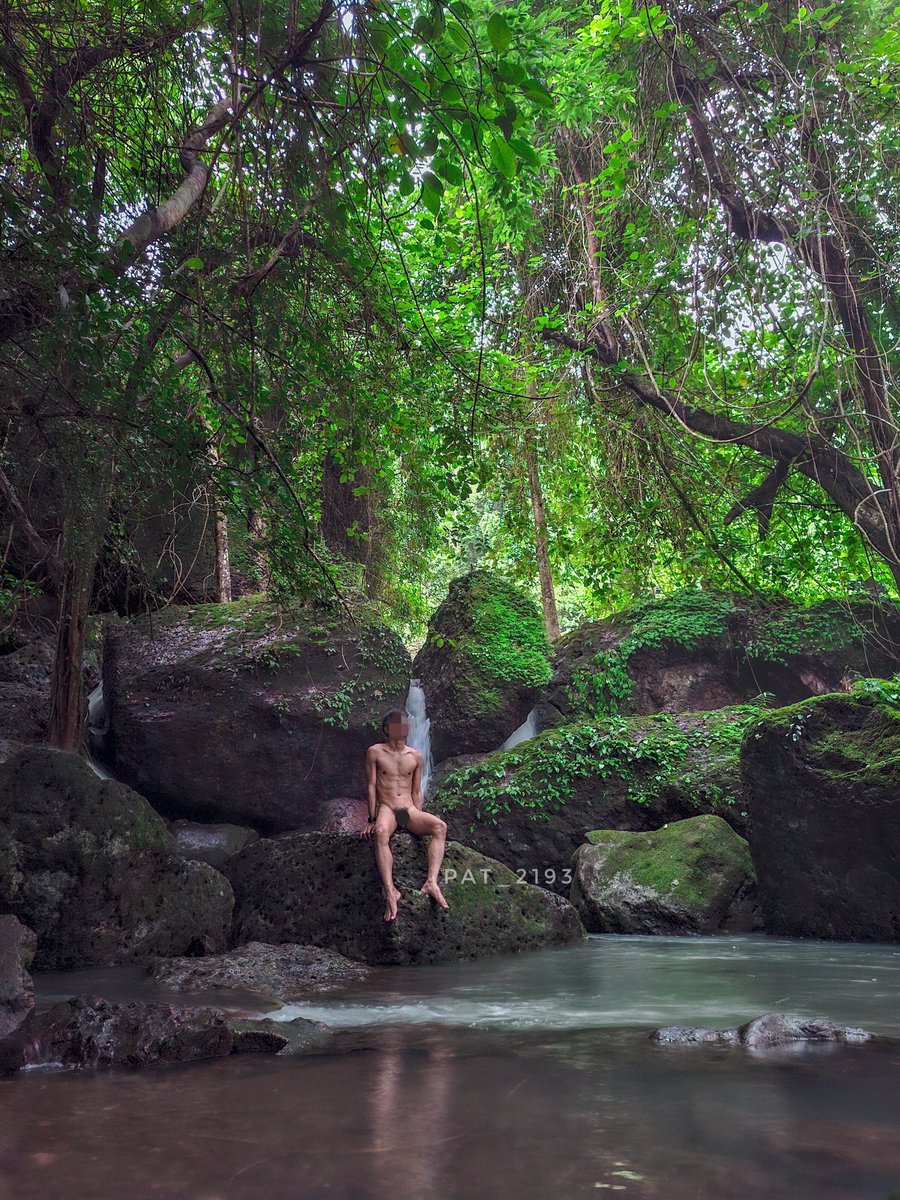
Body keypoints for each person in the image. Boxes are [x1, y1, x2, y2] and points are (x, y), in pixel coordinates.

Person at [362, 708, 450, 922]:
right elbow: (371, 786)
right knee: (381, 832)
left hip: (407, 811)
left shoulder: (416, 756)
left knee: (440, 827)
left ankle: (431, 882)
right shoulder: (375, 752)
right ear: (386, 729)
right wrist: (371, 819)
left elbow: (417, 791)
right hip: (388, 809)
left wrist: (418, 817)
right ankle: (390, 891)